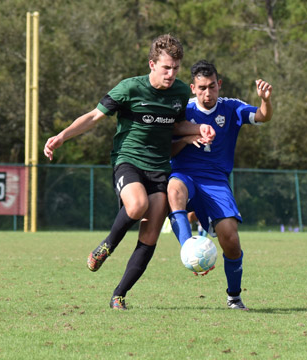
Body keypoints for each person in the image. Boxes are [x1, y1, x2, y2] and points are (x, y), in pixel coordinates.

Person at [43, 34, 215, 311]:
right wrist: (62, 136)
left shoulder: (181, 92)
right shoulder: (129, 89)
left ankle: (119, 295)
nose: (171, 74)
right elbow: (93, 116)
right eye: (166, 68)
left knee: (150, 236)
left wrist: (198, 129)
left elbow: (177, 126)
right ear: (152, 64)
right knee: (137, 205)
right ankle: (106, 246)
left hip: (160, 168)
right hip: (129, 162)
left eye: (176, 68)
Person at [167, 60, 273, 310]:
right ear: (193, 88)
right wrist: (189, 137)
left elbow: (262, 116)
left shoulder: (231, 108)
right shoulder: (182, 112)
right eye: (202, 87)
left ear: (219, 84)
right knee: (173, 189)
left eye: (212, 86)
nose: (207, 93)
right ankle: (188, 249)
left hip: (216, 182)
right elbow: (167, 149)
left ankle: (234, 296)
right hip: (185, 174)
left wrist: (265, 100)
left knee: (231, 239)